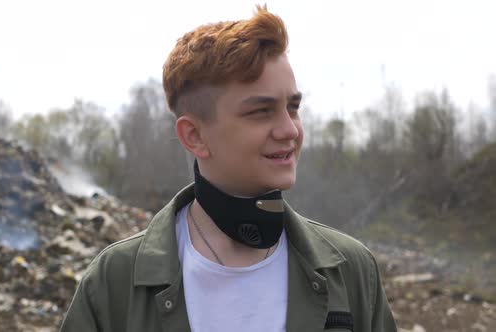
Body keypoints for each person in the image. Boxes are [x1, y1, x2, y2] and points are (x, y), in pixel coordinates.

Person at [60, 5, 397, 332]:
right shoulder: (115, 282)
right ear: (195, 136)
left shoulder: (351, 272)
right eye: (261, 112)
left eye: (292, 109)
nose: (290, 130)